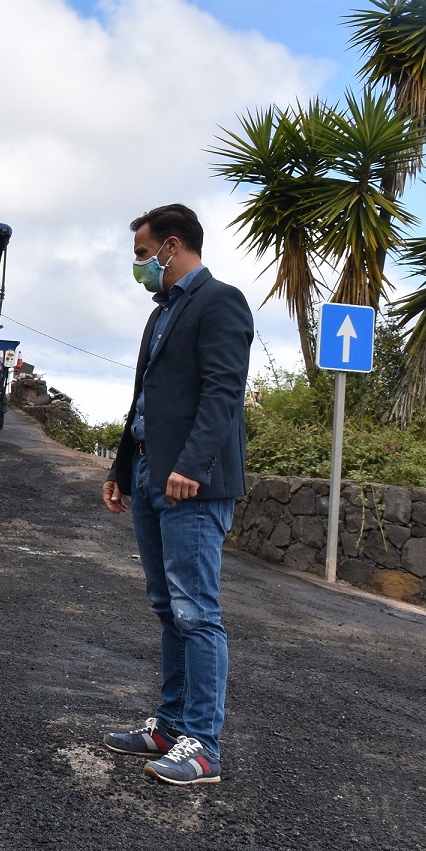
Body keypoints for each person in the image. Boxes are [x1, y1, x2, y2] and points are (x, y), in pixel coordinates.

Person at [101, 203, 253, 787]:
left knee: (196, 611)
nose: (139, 265)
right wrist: (121, 467)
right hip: (149, 474)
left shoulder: (221, 302)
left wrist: (191, 465)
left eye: (143, 253)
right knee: (167, 607)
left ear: (171, 246)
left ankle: (203, 746)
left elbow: (223, 393)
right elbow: (143, 399)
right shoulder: (161, 314)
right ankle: (169, 726)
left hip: (191, 482)